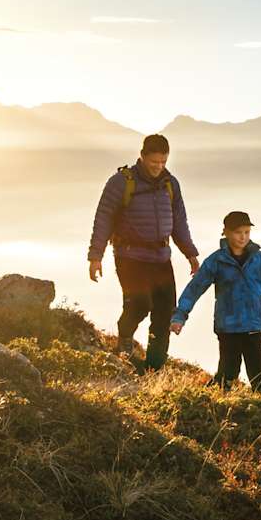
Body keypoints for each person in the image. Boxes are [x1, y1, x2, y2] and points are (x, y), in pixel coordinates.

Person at [88, 134, 200, 372]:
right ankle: (125, 339)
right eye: (154, 162)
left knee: (164, 313)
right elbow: (103, 218)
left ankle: (154, 366)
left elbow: (179, 221)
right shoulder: (121, 182)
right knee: (139, 304)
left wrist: (190, 253)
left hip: (161, 257)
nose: (159, 167)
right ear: (142, 156)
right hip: (130, 257)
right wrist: (95, 256)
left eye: (163, 162)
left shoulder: (171, 184)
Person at [170, 211, 261, 391]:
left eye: (247, 232)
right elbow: (195, 289)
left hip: (255, 327)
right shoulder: (216, 261)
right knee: (227, 375)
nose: (243, 237)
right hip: (228, 329)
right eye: (238, 232)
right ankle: (216, 408)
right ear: (226, 232)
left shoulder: (260, 259)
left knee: (260, 378)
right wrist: (180, 316)